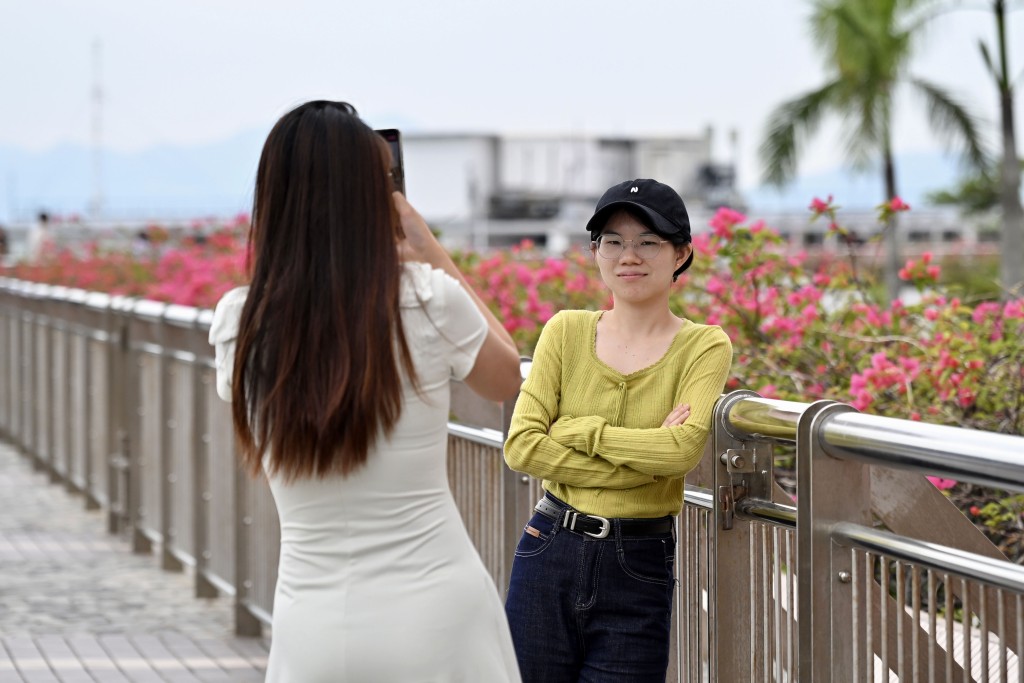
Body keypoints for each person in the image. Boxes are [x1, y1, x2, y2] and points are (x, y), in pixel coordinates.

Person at [208, 100, 523, 682]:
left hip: (312, 631)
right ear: (374, 195)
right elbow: (506, 379)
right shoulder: (427, 299)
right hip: (436, 615)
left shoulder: (241, 323)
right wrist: (430, 251)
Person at [503, 178, 733, 682]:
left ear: (681, 254)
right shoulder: (565, 331)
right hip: (548, 549)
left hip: (639, 562)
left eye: (648, 241)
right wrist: (642, 464)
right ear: (595, 252)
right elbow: (521, 447)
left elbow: (678, 454)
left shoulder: (704, 347)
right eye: (613, 241)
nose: (629, 255)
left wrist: (582, 431)